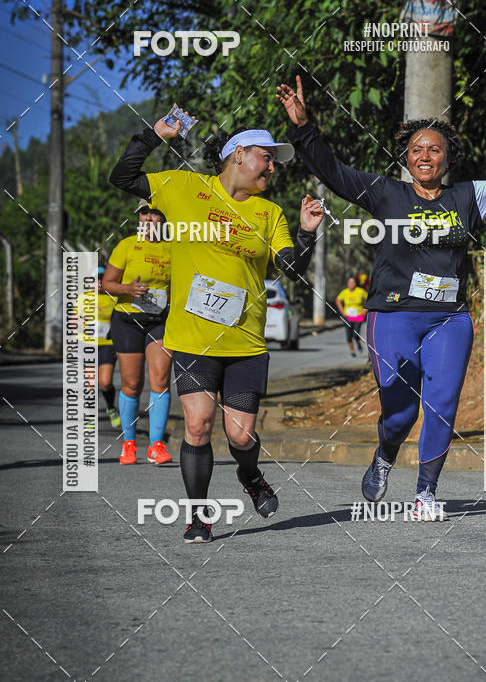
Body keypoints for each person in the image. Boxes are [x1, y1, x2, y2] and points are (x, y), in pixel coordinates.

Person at [277, 77, 486, 518]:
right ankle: (386, 454)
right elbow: (333, 170)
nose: (425, 156)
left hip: (449, 318)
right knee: (401, 411)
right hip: (394, 314)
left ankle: (426, 492)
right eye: (417, 150)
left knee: (441, 404)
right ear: (406, 157)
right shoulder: (386, 193)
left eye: (434, 149)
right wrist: (303, 126)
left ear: (447, 158)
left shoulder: (469, 197)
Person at [109, 116, 323, 543]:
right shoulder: (184, 188)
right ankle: (198, 516)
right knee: (198, 425)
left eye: (274, 162)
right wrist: (155, 135)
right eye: (267, 158)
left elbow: (288, 268)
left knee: (240, 436)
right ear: (238, 155)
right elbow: (123, 176)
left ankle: (252, 476)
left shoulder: (270, 213)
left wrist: (305, 233)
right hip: (191, 340)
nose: (272, 168)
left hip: (244, 343)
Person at [102, 200, 173, 465]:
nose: (149, 218)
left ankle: (156, 446)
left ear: (163, 220)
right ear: (139, 216)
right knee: (132, 384)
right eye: (145, 212)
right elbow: (107, 284)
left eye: (156, 213)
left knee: (161, 379)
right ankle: (129, 444)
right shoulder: (126, 245)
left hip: (160, 321)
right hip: (128, 320)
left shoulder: (173, 248)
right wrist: (127, 290)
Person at [75, 266, 121, 427]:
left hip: (107, 344)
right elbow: (73, 321)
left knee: (105, 381)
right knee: (91, 383)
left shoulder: (113, 299)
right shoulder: (83, 298)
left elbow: (120, 322)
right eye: (96, 279)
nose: (99, 282)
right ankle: (89, 416)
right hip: (87, 344)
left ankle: (110, 407)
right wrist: (79, 322)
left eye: (103, 279)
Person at [336, 275, 369, 356]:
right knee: (348, 335)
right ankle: (352, 351)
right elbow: (338, 300)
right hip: (347, 317)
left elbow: (369, 300)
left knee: (356, 334)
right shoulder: (344, 292)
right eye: (349, 282)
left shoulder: (360, 291)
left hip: (358, 316)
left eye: (353, 282)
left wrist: (364, 312)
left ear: (355, 283)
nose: (351, 284)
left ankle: (358, 344)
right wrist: (342, 311)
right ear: (347, 284)